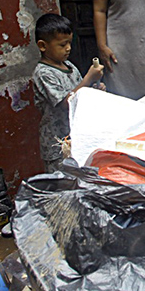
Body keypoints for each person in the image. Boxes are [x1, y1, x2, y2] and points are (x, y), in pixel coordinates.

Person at [32, 13, 105, 172]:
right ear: (43, 46)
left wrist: (94, 89)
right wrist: (88, 79)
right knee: (62, 181)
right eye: (62, 45)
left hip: (76, 137)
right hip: (57, 143)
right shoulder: (43, 74)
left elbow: (79, 93)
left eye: (69, 43)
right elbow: (66, 103)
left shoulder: (69, 67)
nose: (68, 48)